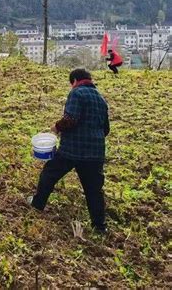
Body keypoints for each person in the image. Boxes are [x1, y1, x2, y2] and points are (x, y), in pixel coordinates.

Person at [28, 68, 110, 234]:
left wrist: (57, 127)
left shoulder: (77, 93)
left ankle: (37, 204)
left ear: (74, 81)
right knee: (94, 190)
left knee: (49, 174)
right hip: (95, 154)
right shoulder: (101, 100)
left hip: (72, 150)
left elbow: (70, 119)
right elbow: (106, 129)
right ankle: (99, 227)